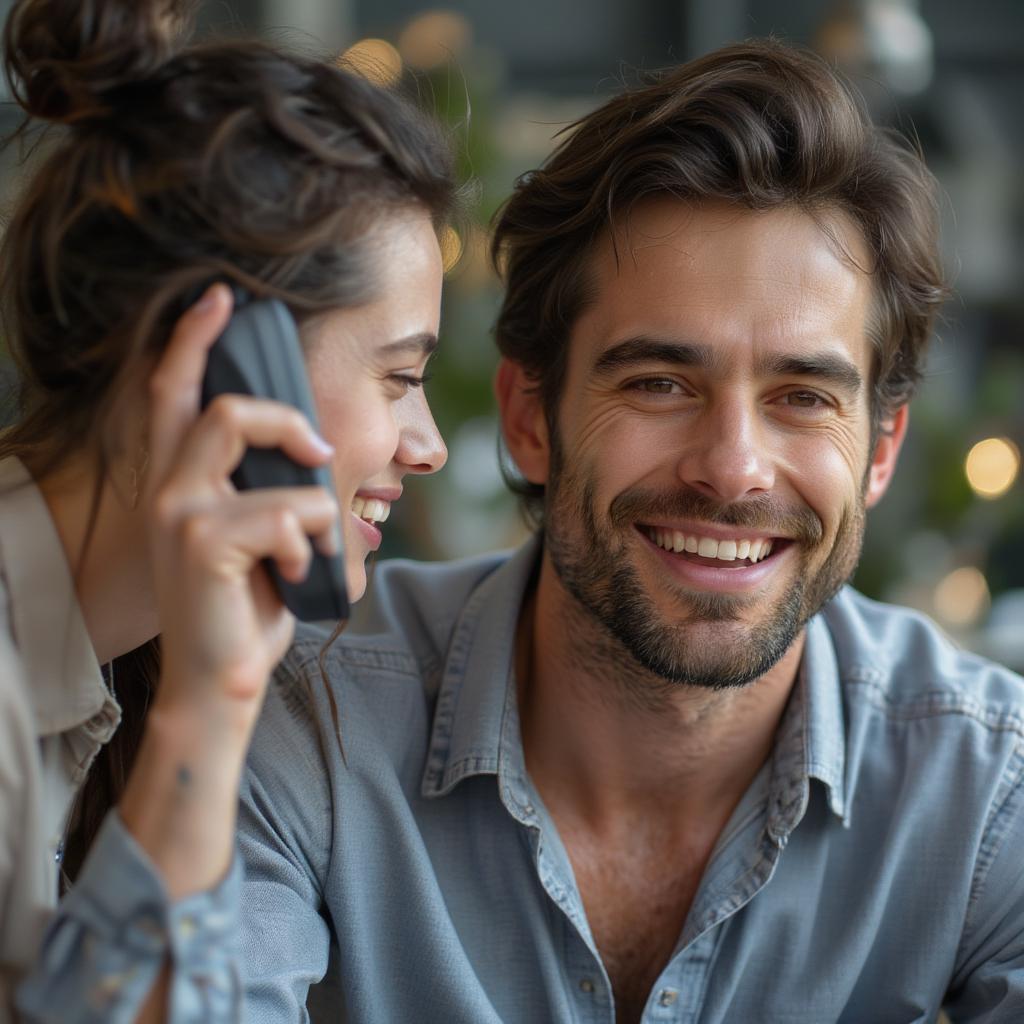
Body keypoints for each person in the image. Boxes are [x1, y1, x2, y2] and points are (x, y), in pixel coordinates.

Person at [236, 36, 1024, 1023]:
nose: (732, 467)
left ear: (879, 448)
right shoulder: (306, 719)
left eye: (800, 396)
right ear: (530, 418)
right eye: (659, 382)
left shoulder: (990, 788)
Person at [0, 0, 456, 1019]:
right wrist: (206, 717)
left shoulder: (133, 672)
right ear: (216, 364)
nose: (423, 446)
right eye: (396, 378)